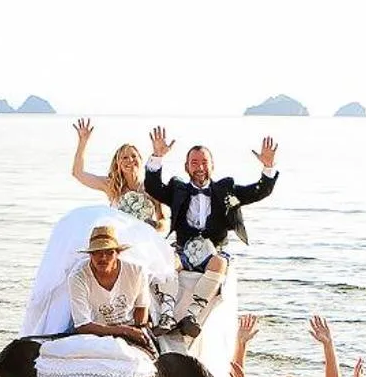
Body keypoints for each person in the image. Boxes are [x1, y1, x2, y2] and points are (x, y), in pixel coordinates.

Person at [143, 126, 279, 339]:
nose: (199, 167)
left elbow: (259, 191)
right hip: (183, 250)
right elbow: (152, 187)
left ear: (212, 166)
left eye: (204, 162)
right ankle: (167, 314)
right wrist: (157, 156)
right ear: (186, 167)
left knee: (220, 263)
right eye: (194, 163)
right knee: (166, 259)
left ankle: (191, 316)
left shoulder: (226, 189)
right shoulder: (178, 189)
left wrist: (268, 167)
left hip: (212, 253)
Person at [65, 225, 156, 351]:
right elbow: (83, 325)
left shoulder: (136, 271)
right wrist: (123, 331)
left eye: (109, 253)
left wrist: (136, 330)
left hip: (130, 328)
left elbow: (141, 309)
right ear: (90, 255)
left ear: (118, 253)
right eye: (97, 253)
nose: (103, 258)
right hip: (94, 332)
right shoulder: (78, 277)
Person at [71, 118, 167, 231]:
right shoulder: (110, 186)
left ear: (140, 159)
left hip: (143, 241)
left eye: (134, 156)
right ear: (118, 164)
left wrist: (154, 225)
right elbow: (78, 173)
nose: (130, 160)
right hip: (119, 242)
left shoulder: (152, 187)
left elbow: (163, 221)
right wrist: (82, 142)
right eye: (125, 157)